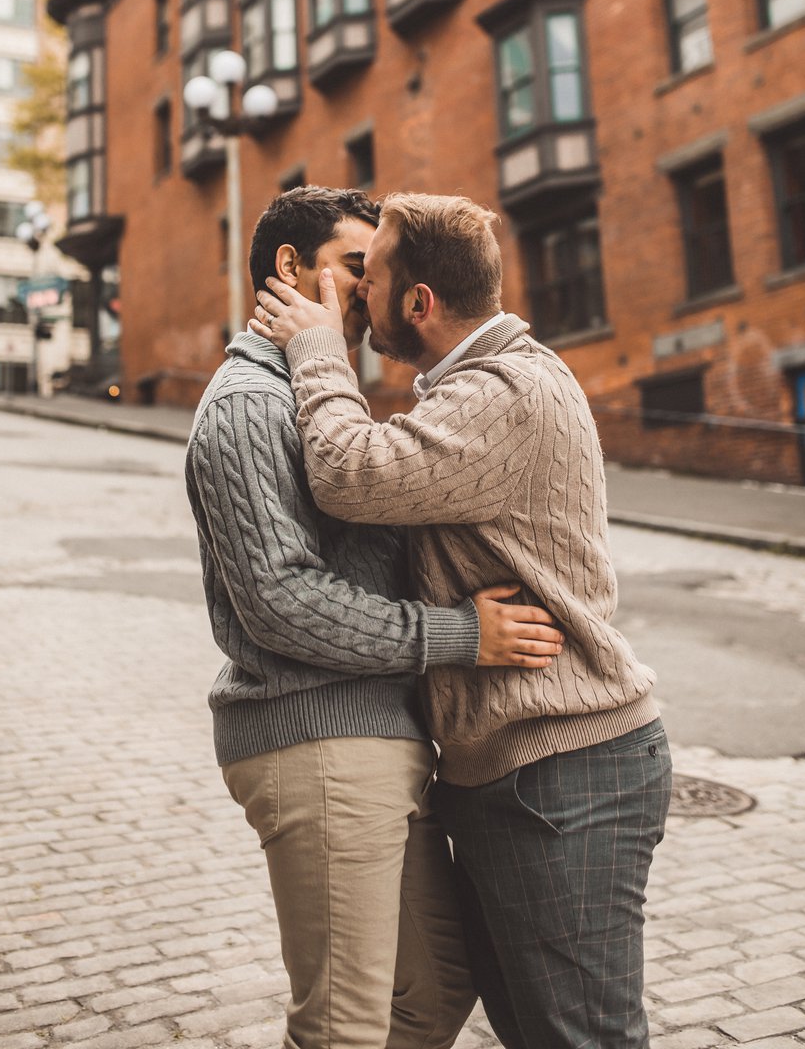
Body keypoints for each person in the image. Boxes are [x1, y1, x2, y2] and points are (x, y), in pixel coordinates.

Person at [252, 191, 673, 1049]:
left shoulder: (505, 392)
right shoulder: (473, 387)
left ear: (420, 304)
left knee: (579, 1036)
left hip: (565, 771)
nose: (356, 292)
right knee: (533, 1030)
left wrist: (317, 350)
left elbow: (346, 471)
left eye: (371, 276)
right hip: (511, 772)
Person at [185, 186, 566, 1049]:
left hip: (380, 744)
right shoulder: (249, 403)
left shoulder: (324, 398)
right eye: (355, 267)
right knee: (342, 1025)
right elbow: (281, 602)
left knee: (434, 991)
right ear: (290, 268)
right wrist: (464, 636)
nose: (369, 290)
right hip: (313, 741)